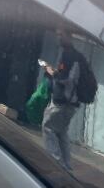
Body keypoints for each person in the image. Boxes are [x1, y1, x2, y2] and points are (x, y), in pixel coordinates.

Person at [41, 28, 86, 171]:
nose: (58, 38)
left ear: (68, 36)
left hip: (63, 102)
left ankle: (57, 166)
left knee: (48, 128)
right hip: (72, 103)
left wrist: (51, 72)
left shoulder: (68, 55)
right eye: (57, 34)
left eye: (60, 35)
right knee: (61, 132)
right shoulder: (78, 57)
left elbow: (66, 79)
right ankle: (67, 166)